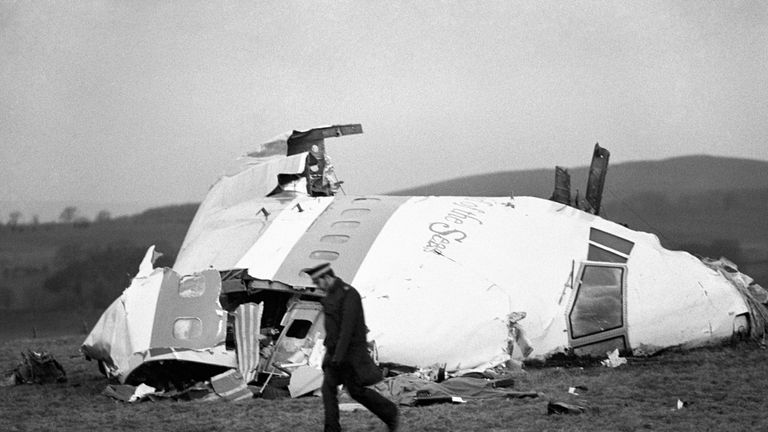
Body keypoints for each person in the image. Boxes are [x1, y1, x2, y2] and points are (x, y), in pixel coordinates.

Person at [304, 263, 400, 432]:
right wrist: (329, 353)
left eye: (318, 282)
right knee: (328, 390)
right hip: (335, 353)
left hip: (349, 355)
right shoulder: (330, 296)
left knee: (356, 391)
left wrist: (338, 357)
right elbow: (333, 328)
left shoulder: (349, 294)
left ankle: (391, 413)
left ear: (326, 278)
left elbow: (347, 329)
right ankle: (332, 428)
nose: (316, 286)